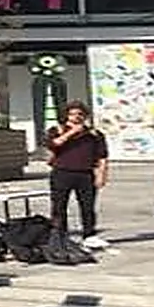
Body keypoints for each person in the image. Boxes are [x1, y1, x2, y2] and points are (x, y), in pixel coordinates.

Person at [44, 101, 109, 246]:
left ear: (85, 116)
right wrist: (71, 132)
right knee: (59, 206)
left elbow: (102, 156)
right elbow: (53, 144)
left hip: (85, 174)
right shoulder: (57, 129)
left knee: (88, 207)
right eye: (72, 114)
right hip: (62, 173)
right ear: (66, 115)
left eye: (80, 114)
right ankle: (60, 235)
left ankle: (89, 234)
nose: (76, 117)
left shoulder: (94, 134)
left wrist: (101, 175)